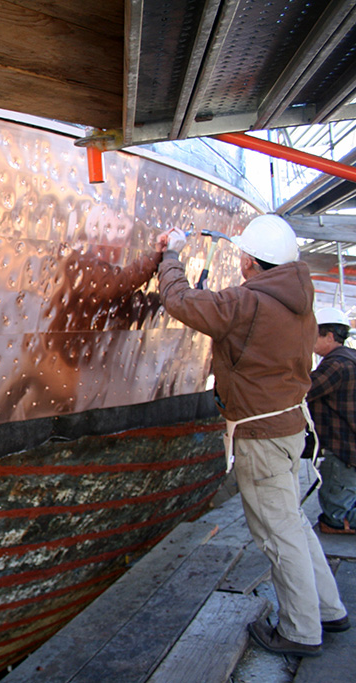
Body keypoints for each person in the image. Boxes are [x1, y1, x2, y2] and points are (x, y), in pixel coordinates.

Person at [157, 214, 349, 659]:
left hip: (261, 434)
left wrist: (171, 254)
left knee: (278, 535)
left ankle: (301, 631)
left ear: (250, 261)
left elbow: (180, 301)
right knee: (293, 524)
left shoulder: (249, 303)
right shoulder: (301, 304)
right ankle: (328, 609)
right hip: (288, 428)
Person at [308, 306, 356, 534]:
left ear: (329, 336)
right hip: (349, 447)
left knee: (334, 517)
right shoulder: (350, 357)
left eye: (313, 336)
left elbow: (303, 391)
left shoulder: (336, 364)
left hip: (343, 449)